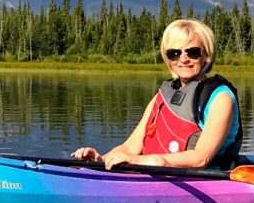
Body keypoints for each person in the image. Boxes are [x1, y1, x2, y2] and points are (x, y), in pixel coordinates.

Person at [73, 19, 242, 170]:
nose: (183, 59)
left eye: (193, 52)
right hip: (157, 173)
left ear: (206, 55)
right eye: (174, 53)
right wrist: (100, 159)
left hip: (201, 180)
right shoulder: (164, 95)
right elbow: (129, 148)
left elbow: (200, 158)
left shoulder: (220, 99)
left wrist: (149, 160)